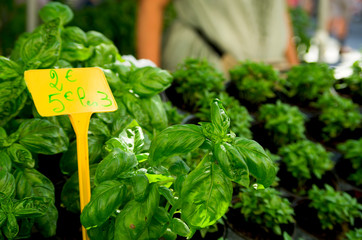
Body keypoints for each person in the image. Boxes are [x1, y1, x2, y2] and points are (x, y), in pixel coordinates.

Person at [137, 0, 299, 77]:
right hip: (208, 70)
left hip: (272, 77)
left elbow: (278, 12)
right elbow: (152, 5)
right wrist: (150, 79)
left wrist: (294, 68)